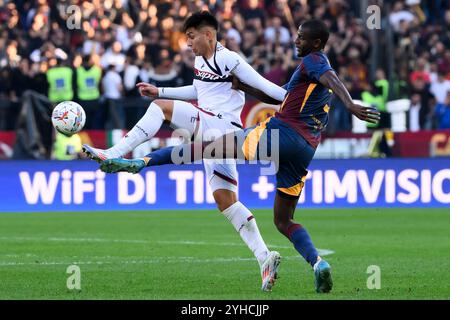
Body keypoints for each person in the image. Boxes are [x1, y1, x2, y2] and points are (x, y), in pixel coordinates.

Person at [99, 19, 381, 293]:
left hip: (279, 135)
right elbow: (283, 97)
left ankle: (143, 162)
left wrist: (351, 104)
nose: (296, 40)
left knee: (207, 147)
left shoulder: (315, 61)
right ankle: (318, 263)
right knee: (283, 221)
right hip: (306, 149)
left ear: (316, 43)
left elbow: (330, 78)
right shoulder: (308, 72)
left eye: (301, 37)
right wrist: (244, 88)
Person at [82, 11, 287, 292]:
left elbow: (271, 90)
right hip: (217, 136)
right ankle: (265, 258)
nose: (188, 43)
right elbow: (198, 90)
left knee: (160, 110)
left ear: (209, 35)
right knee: (226, 202)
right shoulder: (200, 60)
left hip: (220, 128)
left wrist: (298, 99)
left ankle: (113, 152)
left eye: (191, 37)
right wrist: (161, 90)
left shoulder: (230, 59)